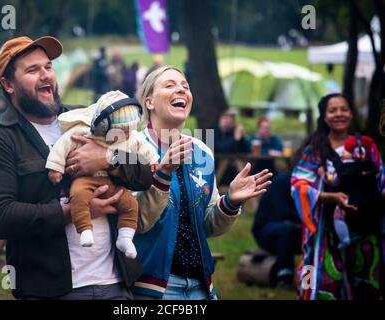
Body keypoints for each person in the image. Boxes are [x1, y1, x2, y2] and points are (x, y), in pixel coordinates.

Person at [0, 36, 169, 300]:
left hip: (117, 283)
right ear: (8, 84)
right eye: (33, 70)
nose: (46, 76)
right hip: (51, 290)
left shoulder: (87, 120)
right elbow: (1, 218)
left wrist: (107, 159)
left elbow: (145, 175)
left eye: (48, 67)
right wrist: (73, 211)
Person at [131, 66, 273, 300]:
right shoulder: (131, 150)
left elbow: (206, 225)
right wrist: (164, 173)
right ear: (149, 102)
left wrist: (230, 202)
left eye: (185, 86)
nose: (181, 89)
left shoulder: (202, 152)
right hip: (152, 287)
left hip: (201, 286)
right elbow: (136, 221)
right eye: (170, 85)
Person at [291, 93, 385, 300]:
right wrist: (329, 196)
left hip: (366, 227)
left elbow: (381, 180)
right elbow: (298, 186)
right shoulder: (314, 151)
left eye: (344, 109)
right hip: (324, 231)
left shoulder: (367, 146)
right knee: (318, 282)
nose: (339, 114)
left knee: (369, 283)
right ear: (324, 117)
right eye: (332, 110)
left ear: (351, 114)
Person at [46, 90, 159, 258]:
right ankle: (84, 229)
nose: (126, 136)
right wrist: (55, 167)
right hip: (85, 180)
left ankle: (125, 237)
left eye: (129, 131)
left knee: (130, 203)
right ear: (102, 125)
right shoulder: (83, 131)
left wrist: (153, 160)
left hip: (112, 183)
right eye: (121, 132)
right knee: (78, 195)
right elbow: (62, 146)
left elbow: (143, 148)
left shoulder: (130, 136)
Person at [252, 172, 301, 289]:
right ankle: (284, 275)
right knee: (286, 229)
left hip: (292, 229)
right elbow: (283, 215)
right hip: (265, 231)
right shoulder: (282, 182)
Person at [213, 110, 249, 186]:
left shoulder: (233, 132)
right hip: (216, 167)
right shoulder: (213, 131)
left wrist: (240, 138)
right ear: (220, 120)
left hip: (233, 168)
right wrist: (236, 139)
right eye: (225, 119)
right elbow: (221, 149)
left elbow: (245, 150)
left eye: (230, 121)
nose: (227, 123)